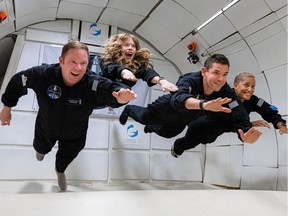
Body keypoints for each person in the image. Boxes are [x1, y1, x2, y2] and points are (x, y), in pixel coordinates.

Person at [0, 40, 137, 191]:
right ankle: (42, 150)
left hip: (75, 133)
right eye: (73, 61)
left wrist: (121, 97)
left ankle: (60, 171)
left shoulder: (91, 83)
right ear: (61, 61)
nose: (78, 68)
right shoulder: (44, 75)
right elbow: (17, 82)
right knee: (41, 148)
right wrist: (7, 107)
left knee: (66, 156)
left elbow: (111, 88)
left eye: (83, 63)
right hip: (47, 126)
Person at [119, 54, 262, 157]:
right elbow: (178, 98)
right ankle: (129, 109)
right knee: (144, 117)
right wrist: (204, 105)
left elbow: (238, 111)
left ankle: (150, 128)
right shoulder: (189, 80)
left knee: (167, 134)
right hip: (166, 108)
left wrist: (245, 133)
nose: (221, 79)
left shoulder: (225, 91)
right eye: (216, 73)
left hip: (184, 119)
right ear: (204, 72)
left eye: (225, 74)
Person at [170, 71, 287, 158]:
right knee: (187, 143)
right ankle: (177, 147)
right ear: (236, 86)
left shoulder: (254, 100)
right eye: (246, 85)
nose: (250, 89)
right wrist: (247, 127)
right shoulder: (224, 95)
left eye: (253, 86)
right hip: (201, 126)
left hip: (216, 132)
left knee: (209, 140)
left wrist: (280, 124)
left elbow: (269, 109)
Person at [99, 33, 178, 92]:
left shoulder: (136, 65)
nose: (130, 48)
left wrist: (162, 81)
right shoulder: (107, 59)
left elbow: (148, 73)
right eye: (126, 45)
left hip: (115, 98)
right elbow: (111, 68)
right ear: (118, 48)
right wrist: (125, 71)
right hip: (98, 91)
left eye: (133, 46)